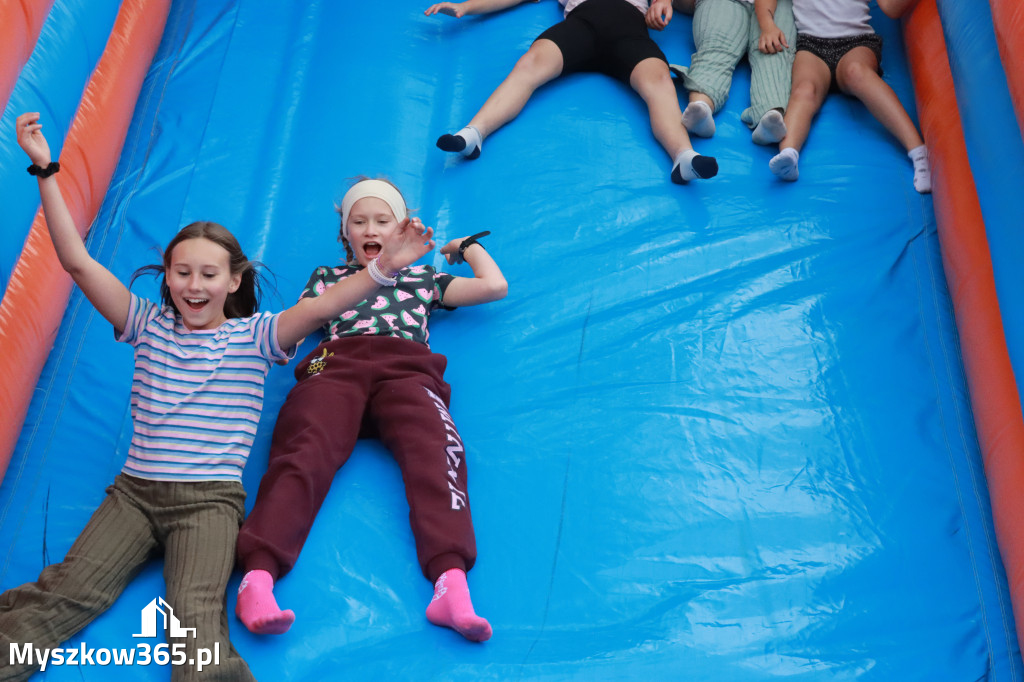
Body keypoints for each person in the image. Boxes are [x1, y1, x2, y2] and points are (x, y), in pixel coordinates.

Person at [1, 113, 433, 681]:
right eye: (183, 273)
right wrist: (45, 170)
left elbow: (324, 308)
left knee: (196, 623)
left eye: (209, 274)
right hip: (133, 494)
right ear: (168, 278)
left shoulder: (257, 336)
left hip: (209, 504)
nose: (194, 285)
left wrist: (380, 269)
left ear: (233, 281)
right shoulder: (145, 324)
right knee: (70, 593)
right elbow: (77, 263)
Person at [234, 178, 507, 643]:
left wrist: (464, 247)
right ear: (346, 236)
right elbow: (302, 324)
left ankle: (450, 582)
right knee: (303, 451)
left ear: (400, 231)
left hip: (407, 371)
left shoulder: (423, 279)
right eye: (359, 222)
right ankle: (257, 578)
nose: (370, 228)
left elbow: (494, 286)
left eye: (382, 220)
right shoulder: (328, 278)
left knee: (437, 451)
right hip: (336, 366)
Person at [426, 0, 719, 184]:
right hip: (581, 28)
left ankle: (683, 157)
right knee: (529, 65)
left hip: (628, 32)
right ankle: (473, 134)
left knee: (659, 81)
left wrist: (662, 2)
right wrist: (466, 6)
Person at [754, 0, 931, 192]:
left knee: (857, 73)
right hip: (811, 44)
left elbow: (890, 7)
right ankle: (789, 153)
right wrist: (767, 25)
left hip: (856, 41)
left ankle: (919, 152)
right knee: (804, 89)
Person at [645, 0, 796, 145]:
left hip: (778, 4)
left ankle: (770, 113)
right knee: (716, 48)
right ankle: (701, 106)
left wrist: (767, 25)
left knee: (774, 52)